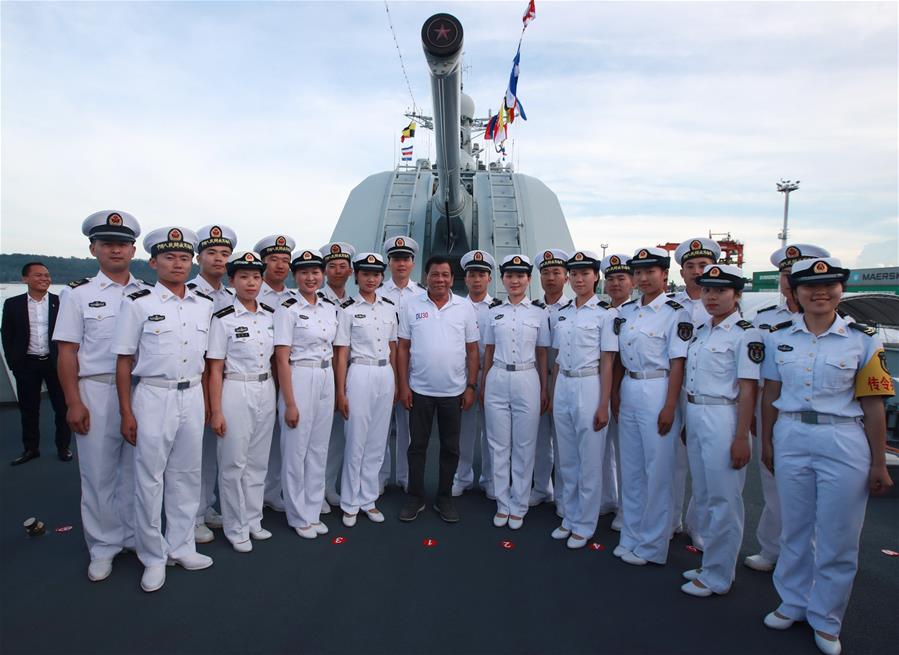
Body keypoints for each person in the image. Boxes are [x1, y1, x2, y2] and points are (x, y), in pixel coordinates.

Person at [760, 256, 893, 655]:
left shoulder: (864, 339)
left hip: (842, 438)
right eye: (809, 288)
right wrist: (766, 442)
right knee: (795, 527)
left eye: (830, 286)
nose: (820, 292)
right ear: (795, 293)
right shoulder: (778, 336)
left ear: (841, 290)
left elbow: (874, 405)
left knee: (838, 535)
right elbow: (770, 393)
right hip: (792, 433)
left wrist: (879, 461)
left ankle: (827, 618)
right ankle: (793, 602)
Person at [112, 227, 214, 593]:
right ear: (154, 262)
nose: (177, 264)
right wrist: (126, 412)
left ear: (192, 262)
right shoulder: (138, 303)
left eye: (184, 258)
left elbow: (206, 358)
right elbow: (124, 362)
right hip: (153, 396)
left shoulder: (204, 304)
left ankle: (182, 545)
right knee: (149, 479)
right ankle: (153, 555)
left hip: (192, 395)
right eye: (169, 258)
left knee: (187, 475)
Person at [53, 211, 148, 581]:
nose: (115, 250)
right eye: (107, 243)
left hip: (141, 390)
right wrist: (73, 401)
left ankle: (137, 536)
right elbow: (67, 352)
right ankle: (103, 545)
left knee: (138, 470)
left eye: (122, 244)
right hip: (96, 388)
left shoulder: (146, 293)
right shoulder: (77, 294)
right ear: (93, 249)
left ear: (133, 249)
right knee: (98, 472)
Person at [745, 243, 830, 573]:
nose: (791, 279)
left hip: (819, 413)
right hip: (773, 407)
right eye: (786, 274)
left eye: (798, 272)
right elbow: (752, 371)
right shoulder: (764, 319)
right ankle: (772, 548)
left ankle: (812, 556)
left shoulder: (839, 322)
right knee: (773, 481)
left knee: (817, 493)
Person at [680, 264, 761, 597]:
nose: (711, 297)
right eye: (707, 290)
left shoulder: (746, 334)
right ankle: (710, 563)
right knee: (705, 495)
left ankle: (719, 576)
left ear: (737, 295)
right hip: (697, 414)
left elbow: (748, 389)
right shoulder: (702, 331)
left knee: (724, 500)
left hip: (724, 418)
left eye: (721, 291)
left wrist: (742, 436)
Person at [613, 246, 691, 566]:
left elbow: (677, 363)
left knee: (657, 471)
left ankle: (652, 545)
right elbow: (617, 358)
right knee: (631, 470)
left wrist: (671, 405)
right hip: (630, 386)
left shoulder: (675, 312)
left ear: (664, 275)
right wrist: (616, 395)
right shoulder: (627, 312)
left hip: (658, 387)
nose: (643, 278)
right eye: (639, 272)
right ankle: (630, 534)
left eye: (650, 272)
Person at [396, 255, 479, 522]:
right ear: (426, 277)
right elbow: (403, 348)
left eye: (445, 274)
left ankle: (444, 498)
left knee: (450, 447)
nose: (440, 279)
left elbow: (472, 350)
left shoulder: (465, 308)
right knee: (417, 446)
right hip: (419, 390)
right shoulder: (411, 305)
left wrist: (470, 386)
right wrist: (403, 385)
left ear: (452, 279)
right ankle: (415, 497)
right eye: (435, 274)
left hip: (453, 392)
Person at [206, 251, 276, 553]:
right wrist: (217, 410)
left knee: (258, 461)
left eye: (256, 277)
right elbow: (215, 367)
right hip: (235, 389)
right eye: (244, 277)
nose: (251, 282)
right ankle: (235, 527)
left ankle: (253, 520)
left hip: (266, 387)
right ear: (232, 280)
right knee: (233, 462)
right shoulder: (223, 319)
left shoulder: (270, 316)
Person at [549, 250, 616, 548]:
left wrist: (604, 404)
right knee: (567, 458)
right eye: (574, 274)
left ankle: (585, 524)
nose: (578, 279)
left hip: (590, 385)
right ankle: (570, 516)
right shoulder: (562, 313)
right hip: (564, 383)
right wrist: (552, 393)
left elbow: (608, 362)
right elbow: (557, 359)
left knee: (589, 459)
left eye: (584, 273)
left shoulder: (606, 314)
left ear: (595, 277)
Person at [273, 248, 338, 539]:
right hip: (299, 374)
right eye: (304, 273)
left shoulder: (327, 307)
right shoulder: (287, 308)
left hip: (326, 375)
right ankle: (297, 515)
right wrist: (289, 402)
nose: (310, 278)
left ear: (322, 275)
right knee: (296, 449)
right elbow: (281, 357)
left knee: (318, 448)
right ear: (295, 276)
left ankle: (312, 509)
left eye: (315, 272)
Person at [482, 254, 550, 530]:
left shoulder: (538, 312)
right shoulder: (493, 311)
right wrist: (485, 382)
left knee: (523, 445)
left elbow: (542, 353)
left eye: (520, 276)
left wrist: (544, 389)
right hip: (498, 375)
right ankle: (502, 502)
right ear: (503, 279)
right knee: (499, 444)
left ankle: (519, 503)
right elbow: (488, 351)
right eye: (509, 276)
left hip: (527, 377)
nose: (514, 280)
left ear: (528, 280)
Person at [333, 252, 397, 527]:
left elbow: (393, 346)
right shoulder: (347, 310)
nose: (371, 279)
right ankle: (349, 502)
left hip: (385, 372)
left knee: (376, 441)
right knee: (356, 440)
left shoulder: (389, 307)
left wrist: (393, 380)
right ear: (356, 275)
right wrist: (341, 391)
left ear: (382, 277)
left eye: (376, 274)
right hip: (359, 372)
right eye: (365, 274)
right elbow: (341, 353)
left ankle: (368, 498)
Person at [670, 237, 721, 548]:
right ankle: (672, 517)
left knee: (704, 463)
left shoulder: (722, 305)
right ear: (682, 272)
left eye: (703, 265)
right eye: (690, 266)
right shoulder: (672, 306)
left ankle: (698, 523)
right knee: (671, 459)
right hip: (673, 388)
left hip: (707, 394)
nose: (697, 271)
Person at [190, 224, 237, 545]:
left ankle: (206, 507)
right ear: (199, 258)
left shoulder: (233, 295)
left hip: (226, 381)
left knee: (217, 452)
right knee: (194, 456)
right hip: (196, 380)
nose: (219, 259)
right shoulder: (189, 293)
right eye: (212, 253)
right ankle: (192, 517)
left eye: (224, 254)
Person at [2, 262, 71, 465]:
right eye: (39, 275)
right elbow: (7, 335)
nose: (44, 279)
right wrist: (14, 363)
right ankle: (31, 449)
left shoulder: (61, 303)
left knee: (62, 408)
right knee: (28, 409)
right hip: (27, 364)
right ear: (25, 279)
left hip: (55, 363)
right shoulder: (13, 304)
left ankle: (63, 447)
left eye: (47, 275)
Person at [378, 236, 426, 493]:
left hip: (411, 367)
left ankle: (407, 477)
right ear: (389, 262)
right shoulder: (377, 292)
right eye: (396, 259)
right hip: (382, 367)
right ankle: (381, 477)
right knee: (381, 428)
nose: (401, 264)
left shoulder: (421, 295)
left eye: (405, 259)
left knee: (409, 428)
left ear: (412, 263)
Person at [254, 234, 297, 514]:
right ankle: (251, 500)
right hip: (259, 376)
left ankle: (273, 491)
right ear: (263, 262)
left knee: (284, 439)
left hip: (290, 377)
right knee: (256, 443)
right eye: (273, 260)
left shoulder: (293, 299)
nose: (280, 265)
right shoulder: (250, 295)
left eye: (285, 260)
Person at [453, 249, 497, 498]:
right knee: (465, 430)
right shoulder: (457, 307)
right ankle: (463, 476)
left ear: (489, 278)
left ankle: (489, 478)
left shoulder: (498, 308)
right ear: (466, 278)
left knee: (492, 430)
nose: (476, 279)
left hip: (491, 375)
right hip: (465, 376)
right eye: (472, 274)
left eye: (481, 274)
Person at [530, 249, 570, 512]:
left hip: (566, 381)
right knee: (540, 439)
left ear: (566, 277)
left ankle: (565, 497)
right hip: (536, 379)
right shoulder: (533, 309)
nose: (551, 277)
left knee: (566, 442)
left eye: (556, 272)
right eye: (545, 272)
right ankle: (541, 487)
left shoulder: (573, 308)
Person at [319, 241, 356, 513]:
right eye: (332, 266)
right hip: (321, 375)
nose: (338, 271)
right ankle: (314, 490)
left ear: (351, 270)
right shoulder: (316, 301)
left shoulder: (352, 304)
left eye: (343, 266)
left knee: (338, 439)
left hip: (349, 375)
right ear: (324, 271)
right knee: (316, 438)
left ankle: (328, 486)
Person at [600, 253, 635, 532]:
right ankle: (607, 498)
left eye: (621, 278)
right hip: (602, 388)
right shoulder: (604, 312)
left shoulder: (637, 313)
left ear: (632, 281)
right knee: (602, 450)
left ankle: (628, 509)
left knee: (628, 455)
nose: (615, 284)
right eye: (610, 279)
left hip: (634, 389)